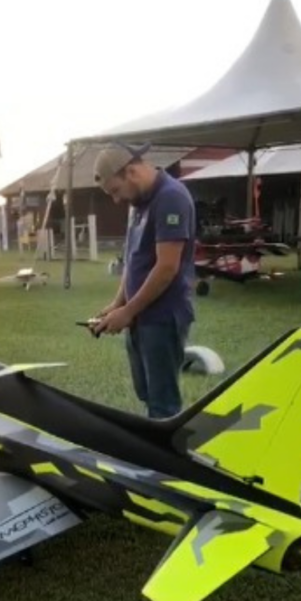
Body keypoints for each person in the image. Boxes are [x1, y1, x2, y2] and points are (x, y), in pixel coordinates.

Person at [92, 143, 196, 419]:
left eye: (116, 190)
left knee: (163, 404)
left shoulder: (171, 197)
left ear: (132, 171)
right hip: (140, 315)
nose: (116, 200)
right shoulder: (138, 202)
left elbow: (166, 267)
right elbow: (133, 258)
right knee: (146, 393)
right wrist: (117, 304)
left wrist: (128, 311)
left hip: (163, 317)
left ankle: (166, 462)